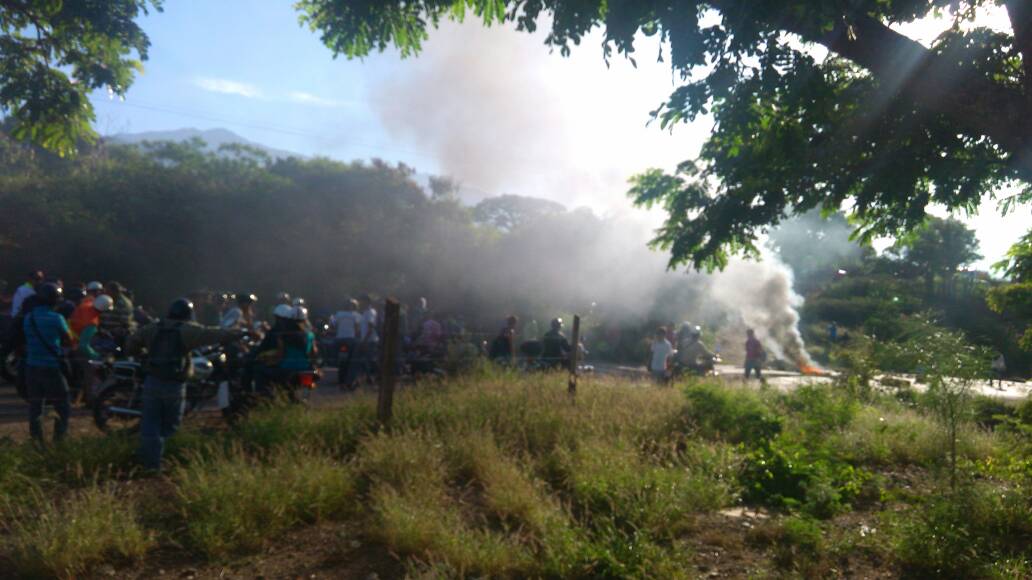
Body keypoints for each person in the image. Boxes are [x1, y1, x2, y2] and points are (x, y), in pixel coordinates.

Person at [127, 298, 243, 472]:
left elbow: (131, 343)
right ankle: (160, 458)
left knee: (150, 423)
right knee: (171, 424)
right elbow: (213, 334)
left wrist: (142, 353)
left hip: (152, 381)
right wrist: (239, 332)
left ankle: (150, 461)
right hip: (174, 384)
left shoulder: (153, 328)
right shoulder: (187, 330)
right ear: (188, 314)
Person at [23, 283, 73, 443]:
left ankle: (37, 443)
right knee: (63, 405)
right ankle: (59, 441)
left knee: (36, 407)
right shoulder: (57, 318)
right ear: (55, 301)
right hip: (52, 367)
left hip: (31, 366)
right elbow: (69, 340)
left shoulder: (28, 318)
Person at [253, 305, 318, 397]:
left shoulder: (283, 335)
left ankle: (264, 398)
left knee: (260, 370)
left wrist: (268, 361)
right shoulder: (310, 335)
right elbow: (314, 353)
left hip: (286, 369)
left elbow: (280, 355)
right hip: (305, 368)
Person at [331, 299, 362, 389]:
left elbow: (333, 324)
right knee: (352, 360)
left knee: (340, 360)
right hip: (350, 340)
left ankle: (335, 365)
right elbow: (357, 329)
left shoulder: (338, 314)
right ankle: (350, 380)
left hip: (339, 339)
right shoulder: (356, 315)